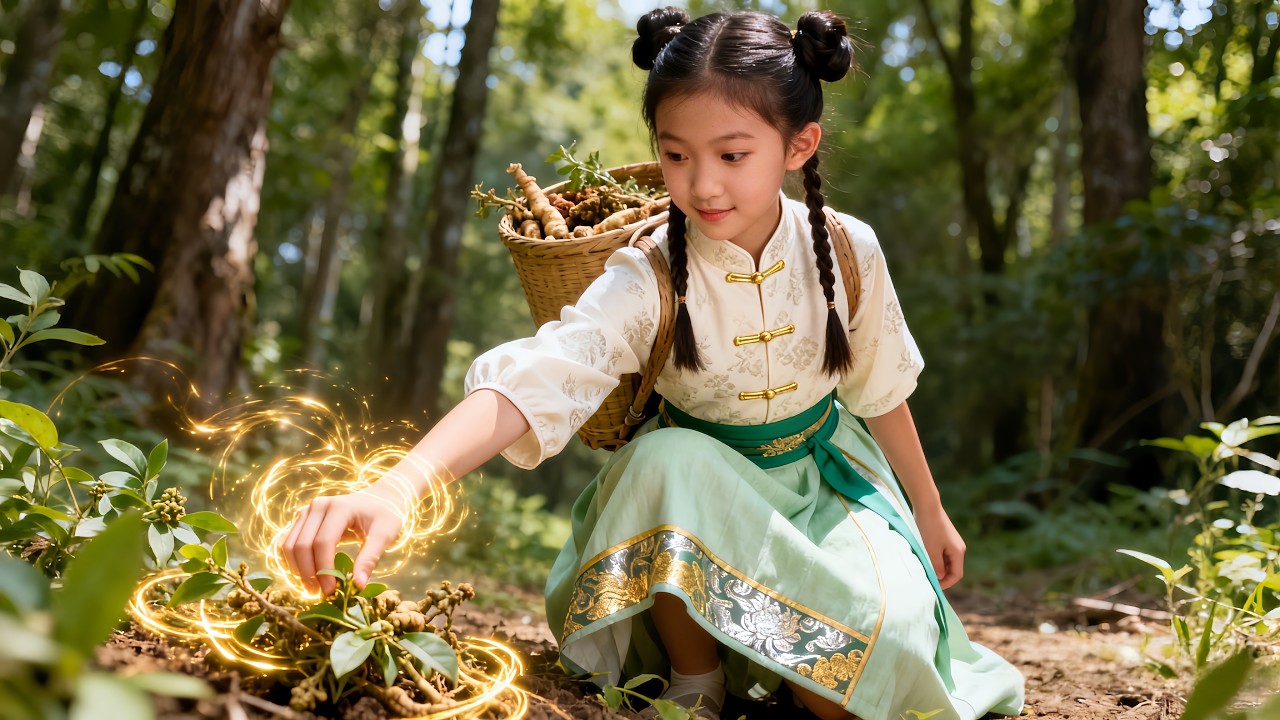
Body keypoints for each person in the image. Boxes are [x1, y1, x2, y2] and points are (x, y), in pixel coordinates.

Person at [283, 7, 1025, 720]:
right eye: (677, 154)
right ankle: (694, 677)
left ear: (799, 145)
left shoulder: (849, 250)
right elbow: (543, 371)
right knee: (668, 455)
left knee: (866, 677)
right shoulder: (647, 274)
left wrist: (929, 511)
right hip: (691, 500)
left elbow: (881, 391)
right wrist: (395, 487)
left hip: (825, 493)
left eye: (733, 155)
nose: (702, 184)